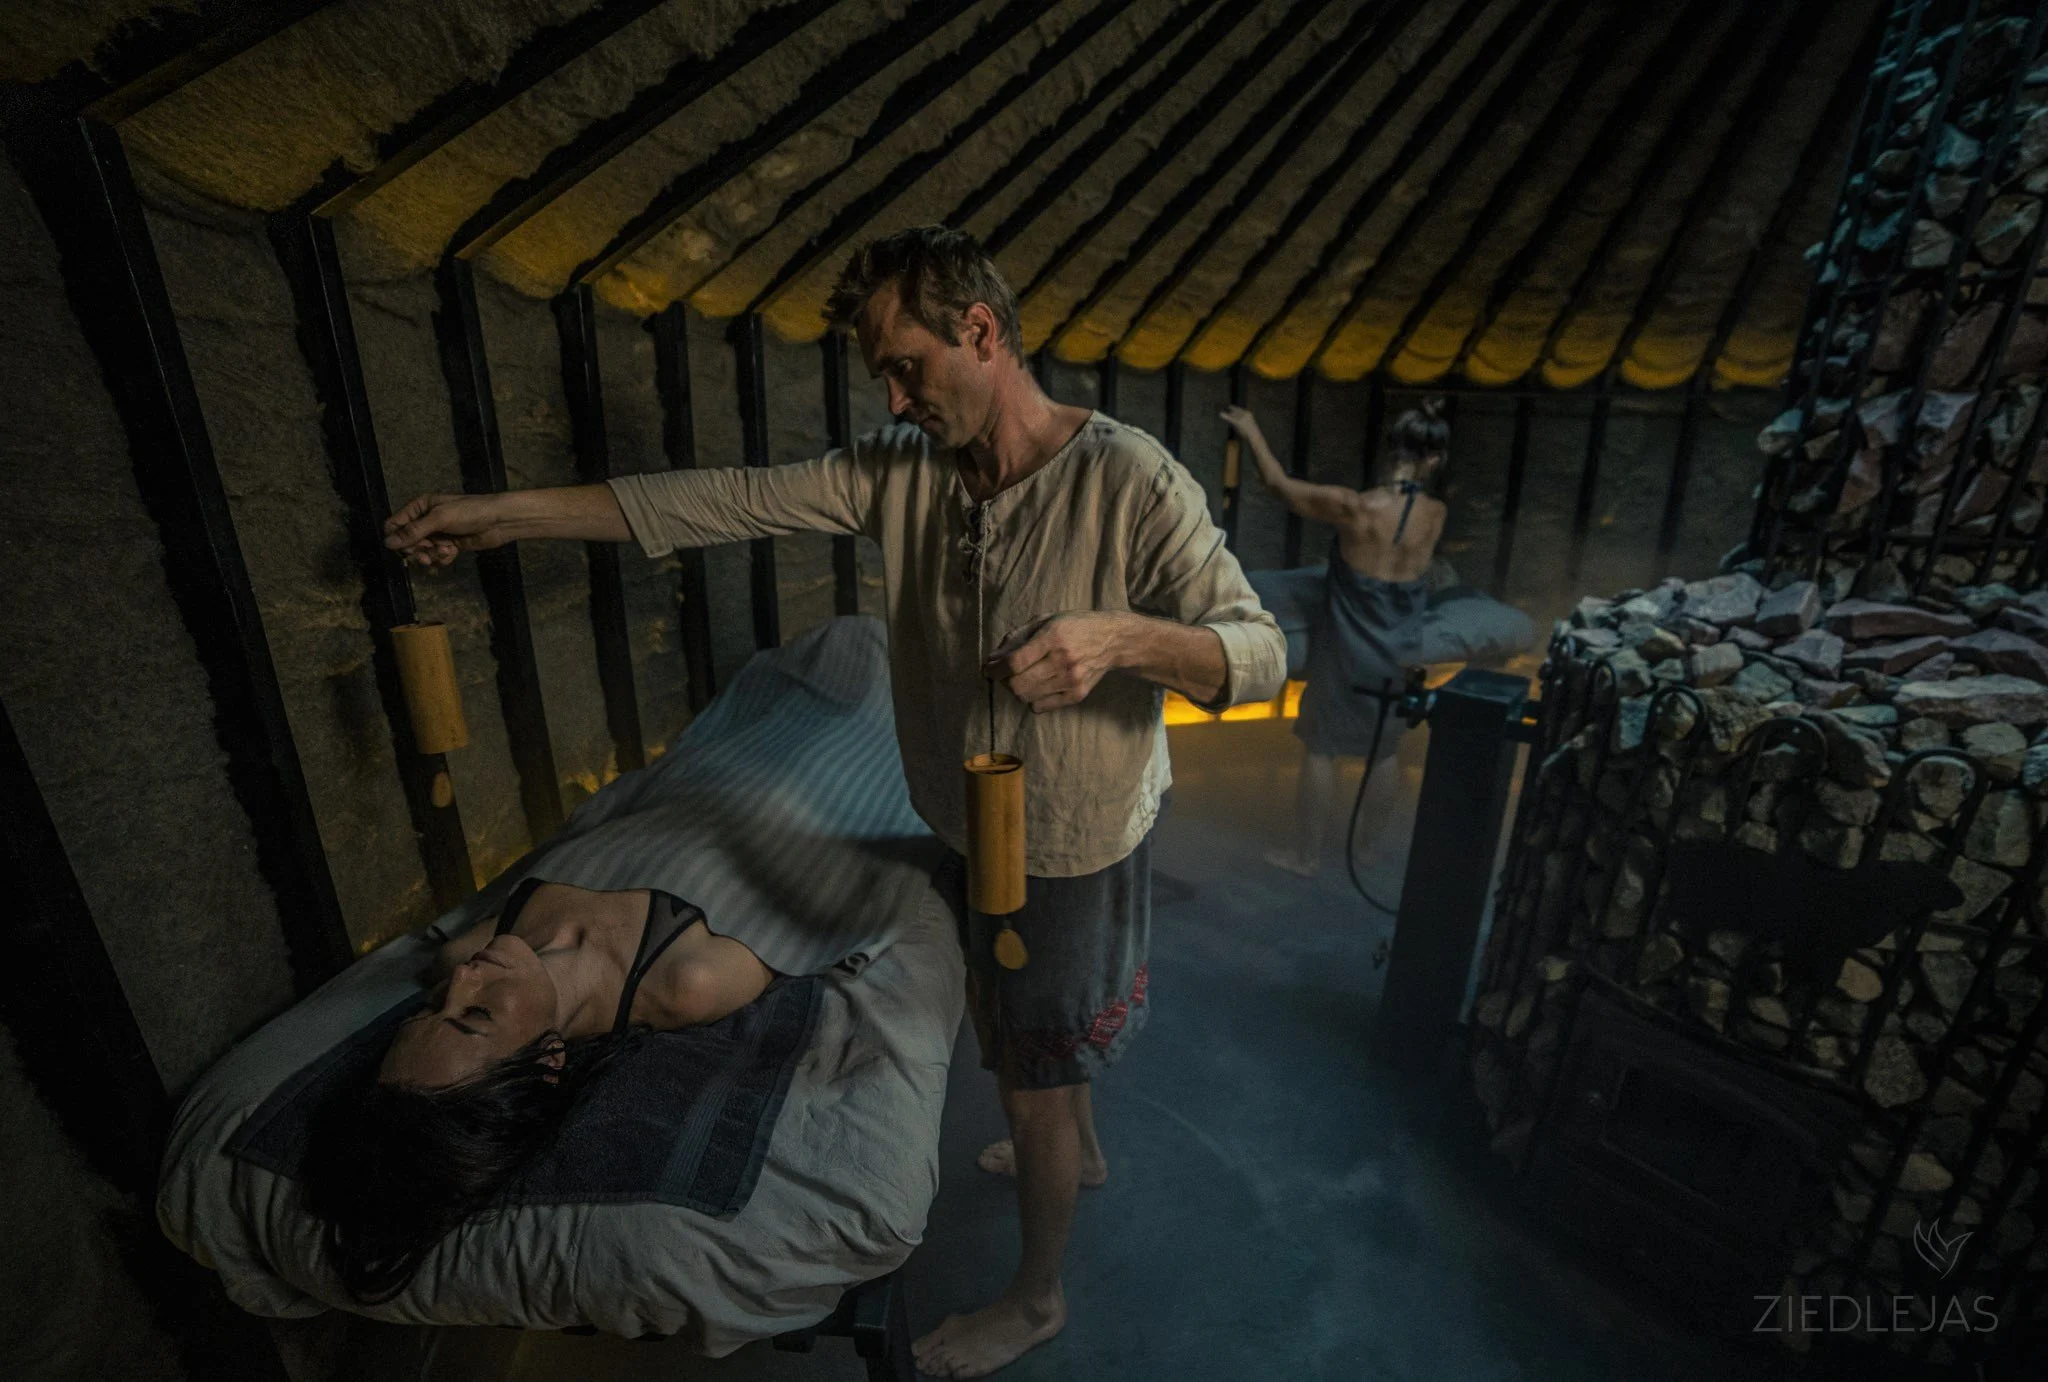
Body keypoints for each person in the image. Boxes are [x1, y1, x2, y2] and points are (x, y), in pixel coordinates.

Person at [382, 225, 1286, 1378]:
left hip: (1069, 843)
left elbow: (1258, 652)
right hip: (959, 813)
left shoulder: (1127, 477)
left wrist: (1119, 639)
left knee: (1032, 1086)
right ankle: (1076, 1135)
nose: (896, 398)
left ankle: (1036, 1293)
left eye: (908, 365)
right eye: (882, 377)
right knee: (1023, 1037)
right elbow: (722, 499)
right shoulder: (901, 476)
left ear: (981, 331)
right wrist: (499, 515)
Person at [302, 877, 778, 1303]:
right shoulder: (690, 983)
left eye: (430, 1012)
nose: (464, 980)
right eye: (477, 1014)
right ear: (550, 1058)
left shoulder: (459, 955)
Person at [1223, 400, 1452, 879]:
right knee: (1383, 748)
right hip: (1400, 651)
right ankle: (1367, 850)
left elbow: (1278, 486)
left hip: (1349, 649)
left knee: (1322, 747)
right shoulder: (1436, 514)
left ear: (1391, 450)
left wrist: (1250, 429)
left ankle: (1306, 856)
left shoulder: (1357, 508)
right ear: (1434, 460)